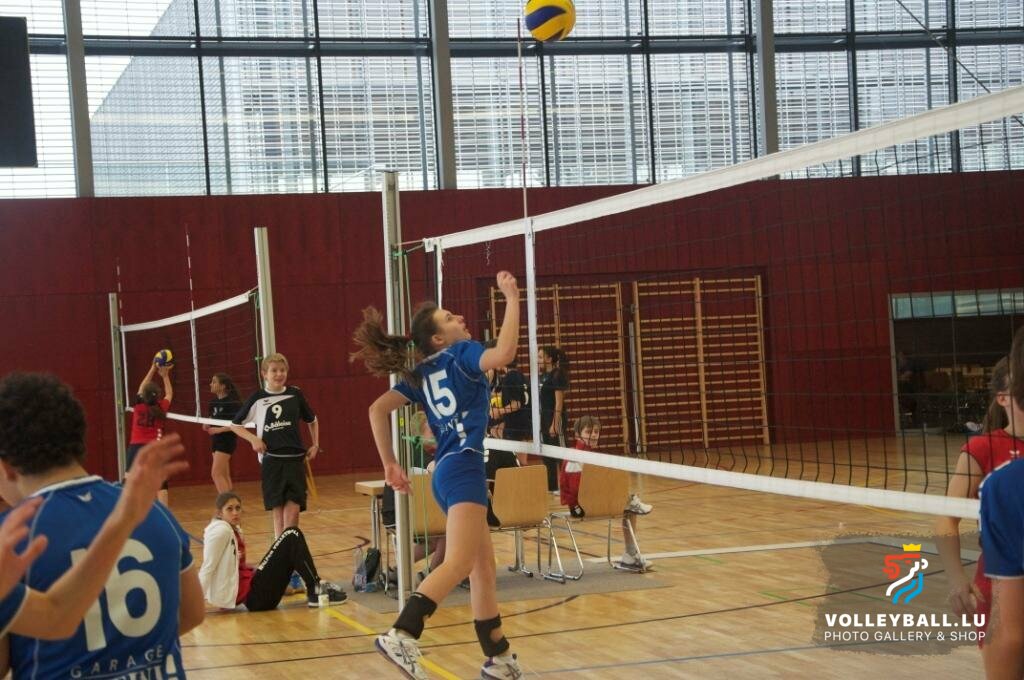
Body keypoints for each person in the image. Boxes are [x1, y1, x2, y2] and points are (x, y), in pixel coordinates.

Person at [353, 270, 524, 680]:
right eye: (449, 318)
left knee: (483, 567)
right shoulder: (462, 355)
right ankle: (402, 633)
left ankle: (498, 656)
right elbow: (503, 353)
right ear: (439, 339)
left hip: (446, 473)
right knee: (460, 561)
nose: (459, 318)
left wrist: (389, 463)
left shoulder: (423, 372)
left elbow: (376, 410)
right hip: (463, 466)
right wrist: (512, 298)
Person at [0, 372, 204, 678]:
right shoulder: (149, 508)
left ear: (7, 466)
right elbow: (192, 612)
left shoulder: (11, 534)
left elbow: (54, 618)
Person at [936, 356, 1022, 641]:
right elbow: (946, 520)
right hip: (1001, 581)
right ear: (1002, 398)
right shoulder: (983, 448)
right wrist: (956, 579)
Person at [199, 491, 345, 611]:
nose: (235, 512)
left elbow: (236, 569)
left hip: (257, 593)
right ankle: (315, 589)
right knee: (291, 534)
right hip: (255, 597)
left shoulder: (233, 530)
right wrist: (194, 603)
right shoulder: (221, 531)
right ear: (219, 513)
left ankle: (314, 587)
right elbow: (208, 567)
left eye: (238, 508)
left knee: (292, 538)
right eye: (229, 509)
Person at [230, 353, 320, 538]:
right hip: (272, 461)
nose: (279, 374)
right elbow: (235, 425)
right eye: (274, 371)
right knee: (277, 509)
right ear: (264, 374)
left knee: (294, 508)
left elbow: (312, 420)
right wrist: (253, 439)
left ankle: (288, 545)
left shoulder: (295, 394)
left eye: (282, 370)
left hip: (295, 459)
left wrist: (315, 444)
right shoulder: (258, 398)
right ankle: (280, 549)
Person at [979, 326, 1024, 679]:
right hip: (999, 565)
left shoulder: (1007, 485)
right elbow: (946, 517)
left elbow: (1011, 637)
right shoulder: (983, 448)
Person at [558, 415, 653, 569]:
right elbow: (575, 490)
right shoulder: (574, 457)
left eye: (596, 431)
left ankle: (630, 555)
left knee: (629, 510)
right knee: (628, 505)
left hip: (591, 502)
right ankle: (630, 501)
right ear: (577, 435)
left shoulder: (592, 456)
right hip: (579, 507)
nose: (593, 435)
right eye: (589, 432)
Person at [127, 360, 174, 506]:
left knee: (130, 480)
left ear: (144, 395)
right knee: (161, 485)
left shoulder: (139, 405)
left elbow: (142, 387)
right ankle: (164, 514)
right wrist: (165, 376)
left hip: (136, 448)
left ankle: (128, 512)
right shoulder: (161, 407)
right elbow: (169, 393)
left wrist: (152, 368)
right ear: (157, 396)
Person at [203, 372, 241, 493]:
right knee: (224, 474)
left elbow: (237, 425)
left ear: (223, 386)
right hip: (216, 441)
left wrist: (218, 430)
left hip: (227, 441)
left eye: (214, 382)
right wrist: (206, 423)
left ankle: (225, 502)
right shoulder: (213, 402)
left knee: (216, 474)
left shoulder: (232, 403)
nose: (211, 384)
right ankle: (233, 502)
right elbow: (211, 418)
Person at [539, 346, 569, 493]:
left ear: (549, 359)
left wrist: (555, 424)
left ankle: (567, 486)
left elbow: (559, 403)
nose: (538, 360)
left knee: (561, 453)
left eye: (540, 357)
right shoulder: (543, 376)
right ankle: (552, 487)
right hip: (544, 420)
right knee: (547, 454)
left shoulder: (557, 375)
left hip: (555, 419)